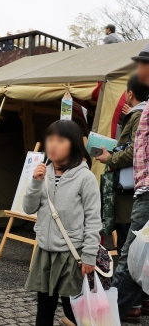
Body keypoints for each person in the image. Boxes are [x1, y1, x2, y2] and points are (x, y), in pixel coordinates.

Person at [23, 120, 101, 326]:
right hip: (45, 252)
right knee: (44, 307)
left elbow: (93, 219)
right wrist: (34, 182)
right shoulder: (44, 173)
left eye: (60, 140)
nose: (53, 145)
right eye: (50, 139)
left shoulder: (85, 178)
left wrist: (89, 256)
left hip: (71, 255)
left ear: (74, 144)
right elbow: (28, 208)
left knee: (72, 309)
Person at [113, 42, 149, 321]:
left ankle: (105, 314)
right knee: (138, 252)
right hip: (142, 188)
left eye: (142, 63)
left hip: (146, 191)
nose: (138, 68)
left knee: (131, 253)